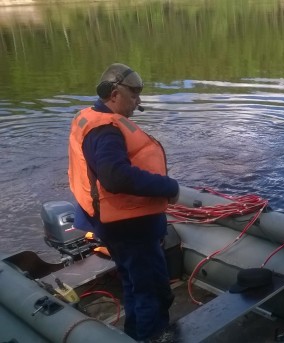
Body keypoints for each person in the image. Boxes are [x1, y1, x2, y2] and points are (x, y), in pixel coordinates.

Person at [68, 63, 180, 341]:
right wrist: (168, 187)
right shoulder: (105, 130)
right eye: (134, 94)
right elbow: (115, 176)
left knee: (134, 284)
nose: (138, 101)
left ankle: (134, 333)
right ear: (115, 93)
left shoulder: (91, 117)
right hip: (130, 228)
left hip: (113, 223)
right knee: (151, 290)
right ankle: (151, 336)